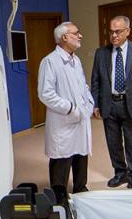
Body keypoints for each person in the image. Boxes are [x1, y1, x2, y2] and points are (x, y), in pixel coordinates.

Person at [91, 15, 132, 188]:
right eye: (111, 32)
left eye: (118, 32)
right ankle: (120, 173)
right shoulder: (101, 53)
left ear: (128, 31)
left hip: (130, 103)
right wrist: (95, 103)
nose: (114, 35)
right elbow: (95, 80)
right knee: (113, 143)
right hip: (108, 104)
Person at [38, 21, 94, 194]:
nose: (80, 36)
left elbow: (83, 85)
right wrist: (70, 108)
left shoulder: (76, 60)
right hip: (64, 119)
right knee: (62, 157)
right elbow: (45, 93)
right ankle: (59, 194)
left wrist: (89, 102)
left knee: (81, 154)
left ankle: (80, 188)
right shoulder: (50, 61)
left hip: (80, 117)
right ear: (64, 37)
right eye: (76, 33)